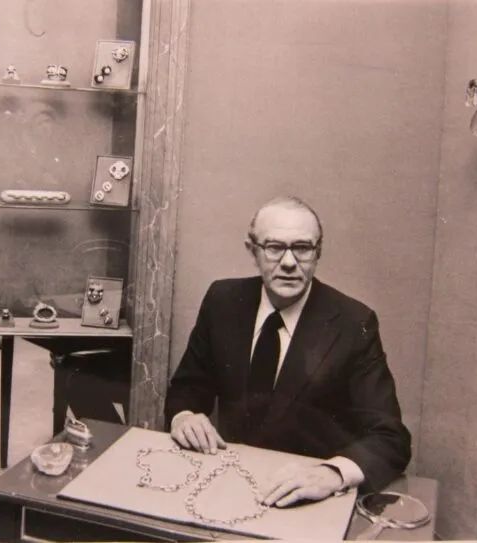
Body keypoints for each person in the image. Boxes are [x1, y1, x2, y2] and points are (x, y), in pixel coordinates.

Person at [165, 196, 411, 508]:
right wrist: (184, 417)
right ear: (252, 251)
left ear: (318, 252)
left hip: (309, 502)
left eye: (302, 248)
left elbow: (391, 438)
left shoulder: (353, 323)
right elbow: (188, 386)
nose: (289, 262)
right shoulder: (222, 300)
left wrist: (331, 474)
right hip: (226, 488)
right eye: (274, 247)